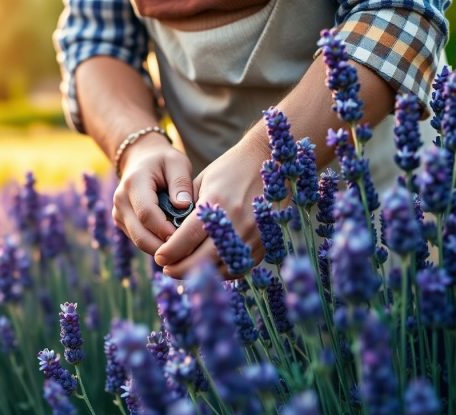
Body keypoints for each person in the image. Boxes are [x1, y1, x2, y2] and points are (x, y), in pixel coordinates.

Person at [54, 0, 450, 278]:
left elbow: (401, 15)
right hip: (217, 249)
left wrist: (268, 157)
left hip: (390, 210)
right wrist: (137, 143)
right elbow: (96, 37)